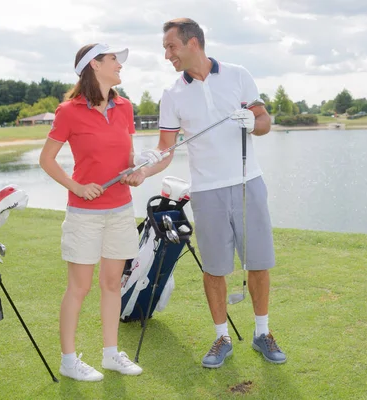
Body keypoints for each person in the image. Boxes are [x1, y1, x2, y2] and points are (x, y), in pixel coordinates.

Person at [122, 18, 287, 367]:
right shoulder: (172, 93)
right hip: (207, 191)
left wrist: (252, 123)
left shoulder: (238, 74)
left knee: (258, 262)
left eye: (171, 47)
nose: (168, 55)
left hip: (247, 184)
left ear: (193, 43)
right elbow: (165, 149)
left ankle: (262, 333)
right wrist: (144, 169)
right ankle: (221, 338)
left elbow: (265, 123)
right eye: (166, 48)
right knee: (214, 269)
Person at [39, 43, 163, 381]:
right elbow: (46, 160)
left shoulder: (125, 107)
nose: (119, 65)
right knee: (78, 288)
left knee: (112, 284)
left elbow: (127, 155)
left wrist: (136, 170)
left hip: (121, 209)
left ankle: (111, 354)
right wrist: (77, 187)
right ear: (94, 65)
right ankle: (68, 361)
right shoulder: (68, 111)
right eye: (113, 60)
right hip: (85, 214)